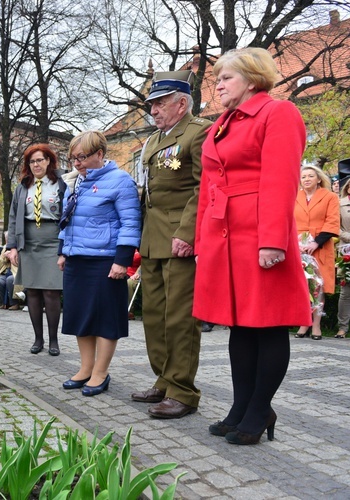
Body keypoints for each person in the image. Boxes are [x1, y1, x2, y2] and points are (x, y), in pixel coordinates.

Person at [194, 47, 311, 445]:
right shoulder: (220, 124)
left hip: (258, 232)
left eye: (225, 78)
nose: (219, 85)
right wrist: (201, 242)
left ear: (251, 78)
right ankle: (241, 407)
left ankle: (260, 409)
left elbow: (282, 179)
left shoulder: (278, 113)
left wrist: (273, 240)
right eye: (218, 79)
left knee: (269, 323)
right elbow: (209, 186)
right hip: (222, 233)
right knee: (240, 325)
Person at [132, 70, 212, 419]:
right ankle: (164, 379)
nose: (154, 110)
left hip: (180, 237)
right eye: (151, 104)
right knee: (154, 316)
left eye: (160, 103)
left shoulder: (199, 132)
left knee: (180, 317)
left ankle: (183, 390)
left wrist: (188, 233)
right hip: (152, 238)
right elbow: (148, 193)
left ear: (182, 103)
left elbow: (202, 186)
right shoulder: (153, 141)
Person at [58, 130, 141, 397]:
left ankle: (101, 372)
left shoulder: (121, 181)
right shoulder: (75, 182)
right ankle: (86, 368)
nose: (77, 163)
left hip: (106, 260)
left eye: (81, 157)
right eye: (73, 158)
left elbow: (130, 223)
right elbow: (66, 219)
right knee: (80, 316)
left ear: (100, 154)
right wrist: (63, 250)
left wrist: (122, 261)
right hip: (76, 258)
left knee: (105, 319)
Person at [6, 144, 66, 355]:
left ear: (49, 161)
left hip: (53, 241)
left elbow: (69, 214)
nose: (36, 164)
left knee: (51, 292)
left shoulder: (61, 183)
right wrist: (11, 246)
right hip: (28, 242)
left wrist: (66, 247)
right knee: (32, 291)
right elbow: (13, 218)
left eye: (40, 160)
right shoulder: (23, 187)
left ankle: (53, 340)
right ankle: (38, 339)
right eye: (32, 161)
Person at [294, 165, 339, 340]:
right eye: (303, 176)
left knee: (318, 286)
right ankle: (303, 322)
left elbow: (332, 221)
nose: (306, 179)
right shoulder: (295, 196)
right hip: (297, 245)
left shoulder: (330, 197)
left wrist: (316, 242)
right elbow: (288, 220)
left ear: (318, 178)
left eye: (310, 176)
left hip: (320, 245)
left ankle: (316, 325)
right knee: (301, 285)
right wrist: (295, 242)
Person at [337, 180, 350, 339]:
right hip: (347, 250)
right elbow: (335, 226)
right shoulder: (340, 204)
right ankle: (342, 327)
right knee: (346, 291)